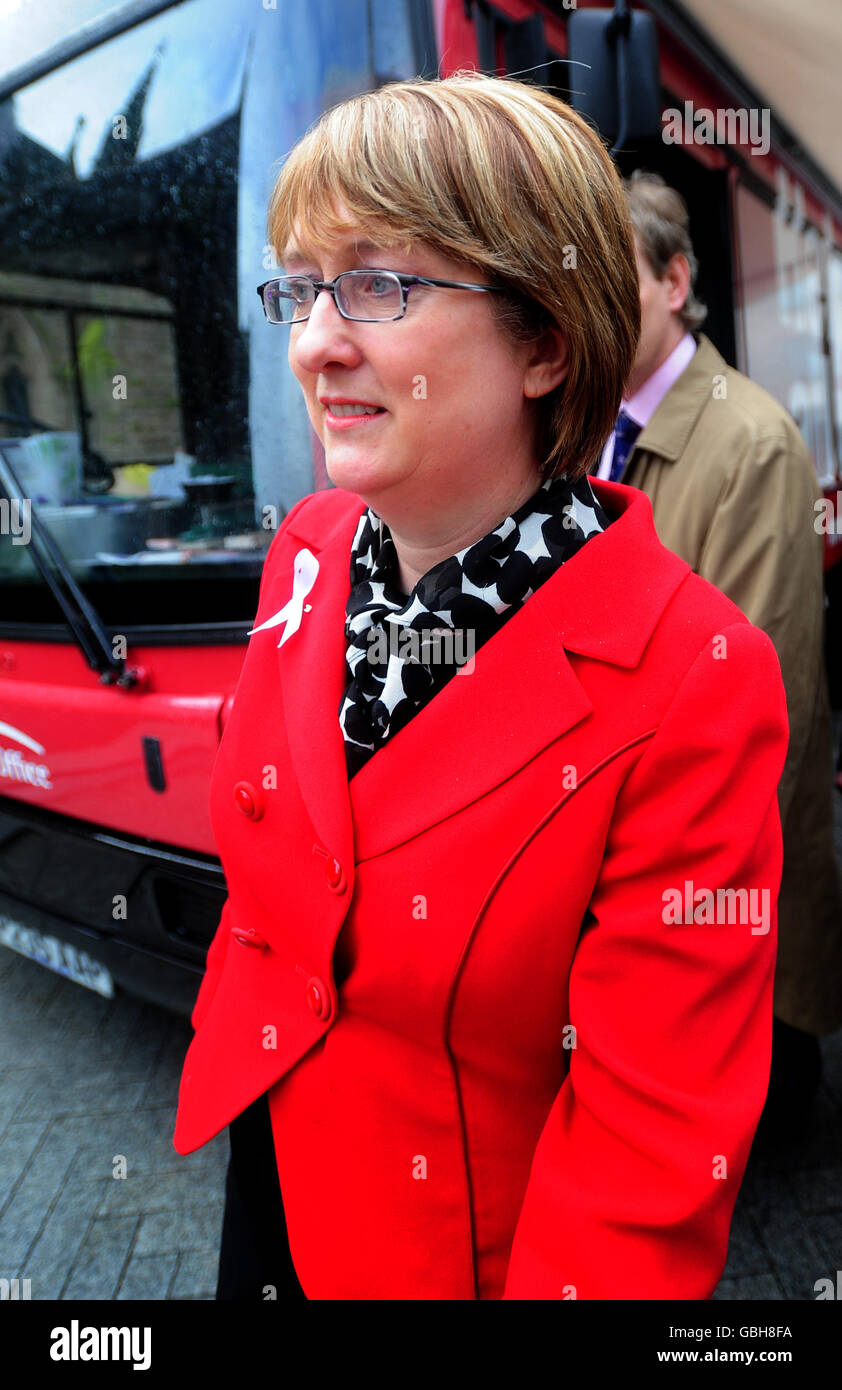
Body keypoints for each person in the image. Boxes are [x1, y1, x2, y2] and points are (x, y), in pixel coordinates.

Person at [173, 72, 788, 1300]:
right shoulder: (307, 547)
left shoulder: (689, 677)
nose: (313, 341)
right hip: (271, 1171)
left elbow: (643, 1163)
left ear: (545, 346)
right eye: (299, 287)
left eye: (379, 284)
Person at [595, 170, 842, 1142]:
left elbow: (756, 708)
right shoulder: (580, 426)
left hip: (717, 885)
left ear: (671, 280)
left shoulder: (749, 442)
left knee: (756, 1131)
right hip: (636, 863)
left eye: (605, 277)